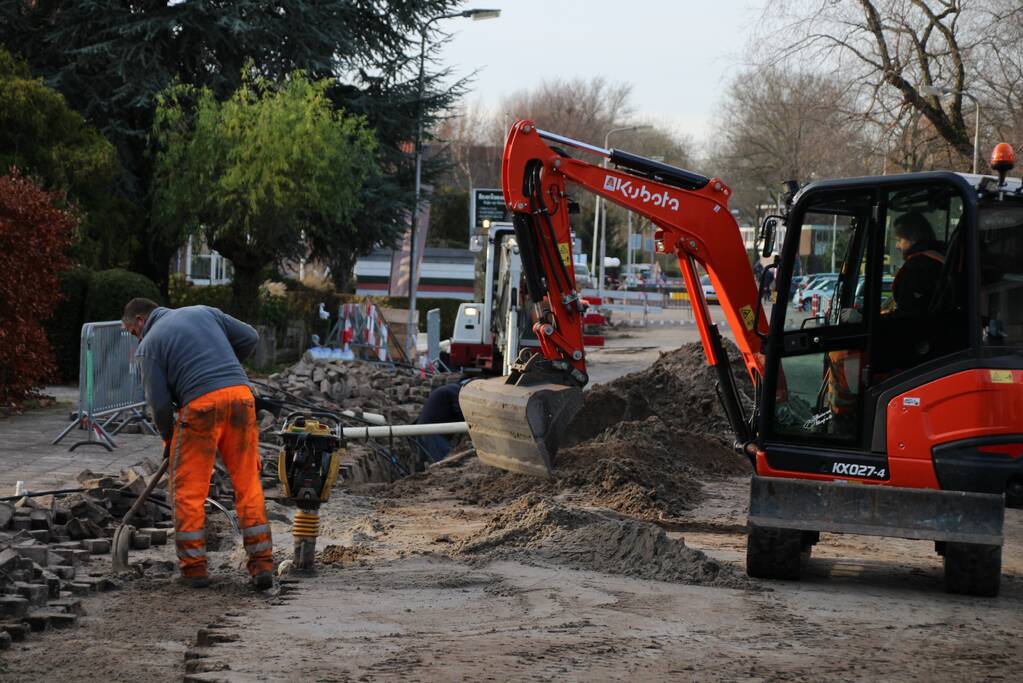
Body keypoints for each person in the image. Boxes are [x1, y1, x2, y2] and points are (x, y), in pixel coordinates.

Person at [122, 298, 273, 590]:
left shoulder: (149, 345)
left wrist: (169, 438)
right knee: (248, 484)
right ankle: (262, 565)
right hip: (241, 398)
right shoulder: (204, 311)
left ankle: (194, 570)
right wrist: (224, 368)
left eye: (131, 331)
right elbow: (250, 337)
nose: (134, 338)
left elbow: (160, 406)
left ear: (141, 320)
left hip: (201, 407)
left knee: (188, 491)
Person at [890, 211, 945, 315]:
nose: (897, 246)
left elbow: (907, 310)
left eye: (899, 240)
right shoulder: (940, 256)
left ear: (914, 237)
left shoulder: (917, 267)